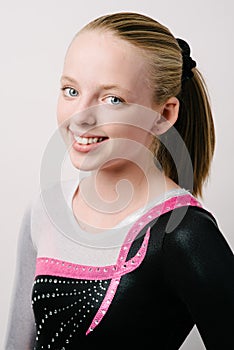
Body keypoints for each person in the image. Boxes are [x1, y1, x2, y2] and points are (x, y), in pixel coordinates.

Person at [4, 11, 234, 350]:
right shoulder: (45, 210)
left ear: (164, 114)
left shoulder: (183, 233)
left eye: (113, 99)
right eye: (71, 90)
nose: (81, 116)